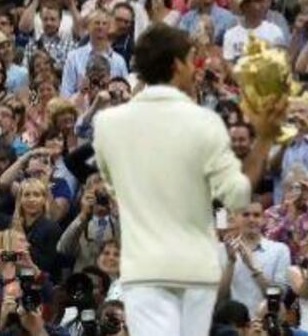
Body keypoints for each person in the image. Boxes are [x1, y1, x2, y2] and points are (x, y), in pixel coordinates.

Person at [92, 24, 273, 336]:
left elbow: (113, 187)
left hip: (144, 267)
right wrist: (265, 137)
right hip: (194, 269)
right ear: (176, 65)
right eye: (191, 60)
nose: (195, 68)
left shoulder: (107, 124)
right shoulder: (205, 122)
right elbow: (238, 196)